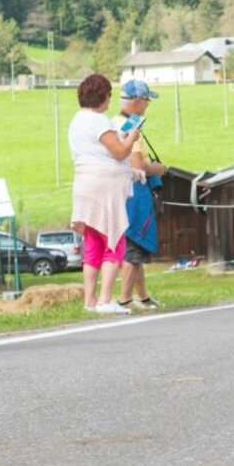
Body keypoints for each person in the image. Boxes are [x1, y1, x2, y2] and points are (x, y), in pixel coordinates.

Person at [69, 74, 143, 315]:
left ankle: (90, 301)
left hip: (83, 183)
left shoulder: (76, 120)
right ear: (103, 96)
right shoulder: (99, 121)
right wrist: (132, 136)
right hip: (105, 185)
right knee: (114, 239)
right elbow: (120, 152)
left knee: (92, 242)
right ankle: (105, 299)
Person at [114, 80, 166, 310]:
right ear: (136, 101)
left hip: (121, 189)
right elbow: (137, 163)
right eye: (146, 100)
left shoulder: (114, 122)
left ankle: (142, 296)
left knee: (138, 245)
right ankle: (125, 298)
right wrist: (159, 169)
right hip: (134, 191)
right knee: (135, 243)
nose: (147, 105)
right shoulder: (129, 126)